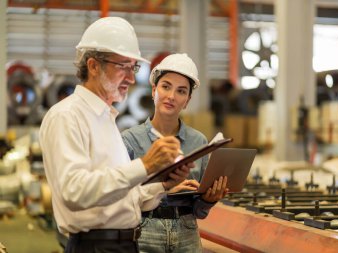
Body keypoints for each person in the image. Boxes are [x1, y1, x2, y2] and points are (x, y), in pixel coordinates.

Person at [39, 17, 194, 253]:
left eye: (134, 67)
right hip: (96, 246)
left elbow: (122, 198)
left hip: (122, 244)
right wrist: (145, 165)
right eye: (123, 66)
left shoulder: (105, 119)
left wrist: (163, 184)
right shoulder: (67, 116)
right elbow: (74, 191)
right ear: (93, 66)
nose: (131, 78)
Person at [122, 53, 228, 253]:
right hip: (145, 231)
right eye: (166, 86)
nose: (171, 96)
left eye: (181, 91)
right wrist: (165, 190)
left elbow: (199, 211)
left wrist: (209, 200)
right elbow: (120, 201)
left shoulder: (199, 142)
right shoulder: (130, 141)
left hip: (187, 233)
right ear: (154, 90)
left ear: (187, 100)